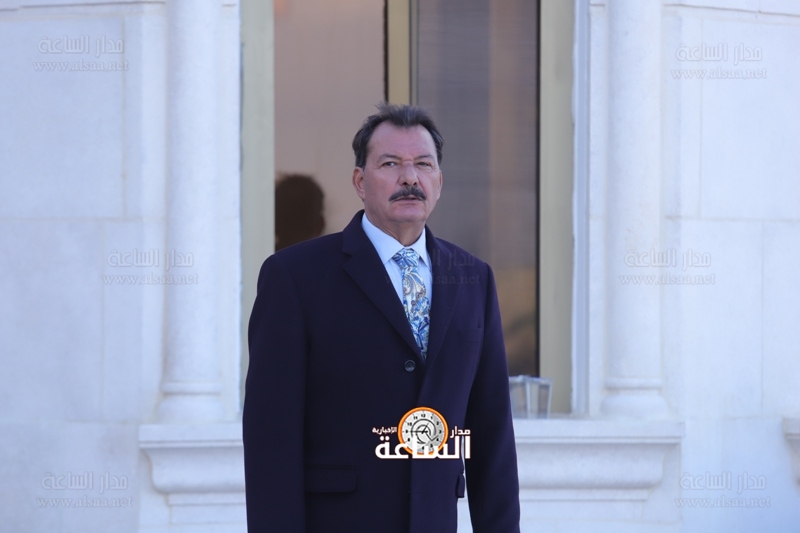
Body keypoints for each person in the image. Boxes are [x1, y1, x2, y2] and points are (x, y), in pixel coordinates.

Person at [243, 103, 520, 532]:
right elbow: (271, 439)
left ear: (439, 181)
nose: (410, 178)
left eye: (423, 164)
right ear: (360, 181)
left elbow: (491, 432)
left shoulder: (473, 278)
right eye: (391, 164)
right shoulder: (295, 277)